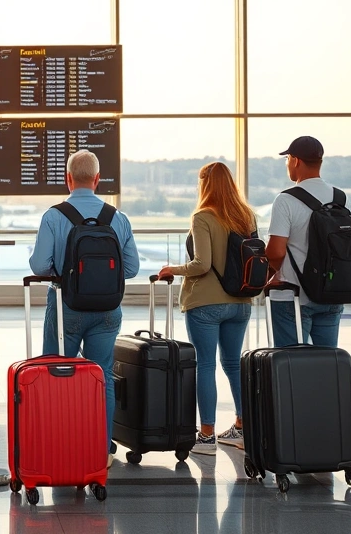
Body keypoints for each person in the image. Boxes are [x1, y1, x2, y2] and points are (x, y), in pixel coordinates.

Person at [28, 150, 139, 467]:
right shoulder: (117, 218)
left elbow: (39, 264)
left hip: (67, 306)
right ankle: (100, 450)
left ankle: (59, 443)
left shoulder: (53, 216)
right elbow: (130, 268)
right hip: (107, 310)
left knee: (55, 371)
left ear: (68, 179)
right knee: (102, 374)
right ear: (97, 180)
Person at [157, 162, 254, 454]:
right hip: (240, 302)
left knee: (206, 365)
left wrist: (171, 269)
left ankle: (207, 435)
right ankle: (242, 427)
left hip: (206, 304)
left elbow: (203, 264)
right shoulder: (245, 215)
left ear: (205, 185)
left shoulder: (202, 216)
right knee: (234, 364)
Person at [264, 136, 345, 348]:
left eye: (287, 159)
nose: (287, 164)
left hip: (293, 295)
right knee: (329, 364)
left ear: (296, 160)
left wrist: (268, 276)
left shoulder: (286, 200)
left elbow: (276, 252)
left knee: (290, 366)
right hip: (332, 293)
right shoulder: (339, 197)